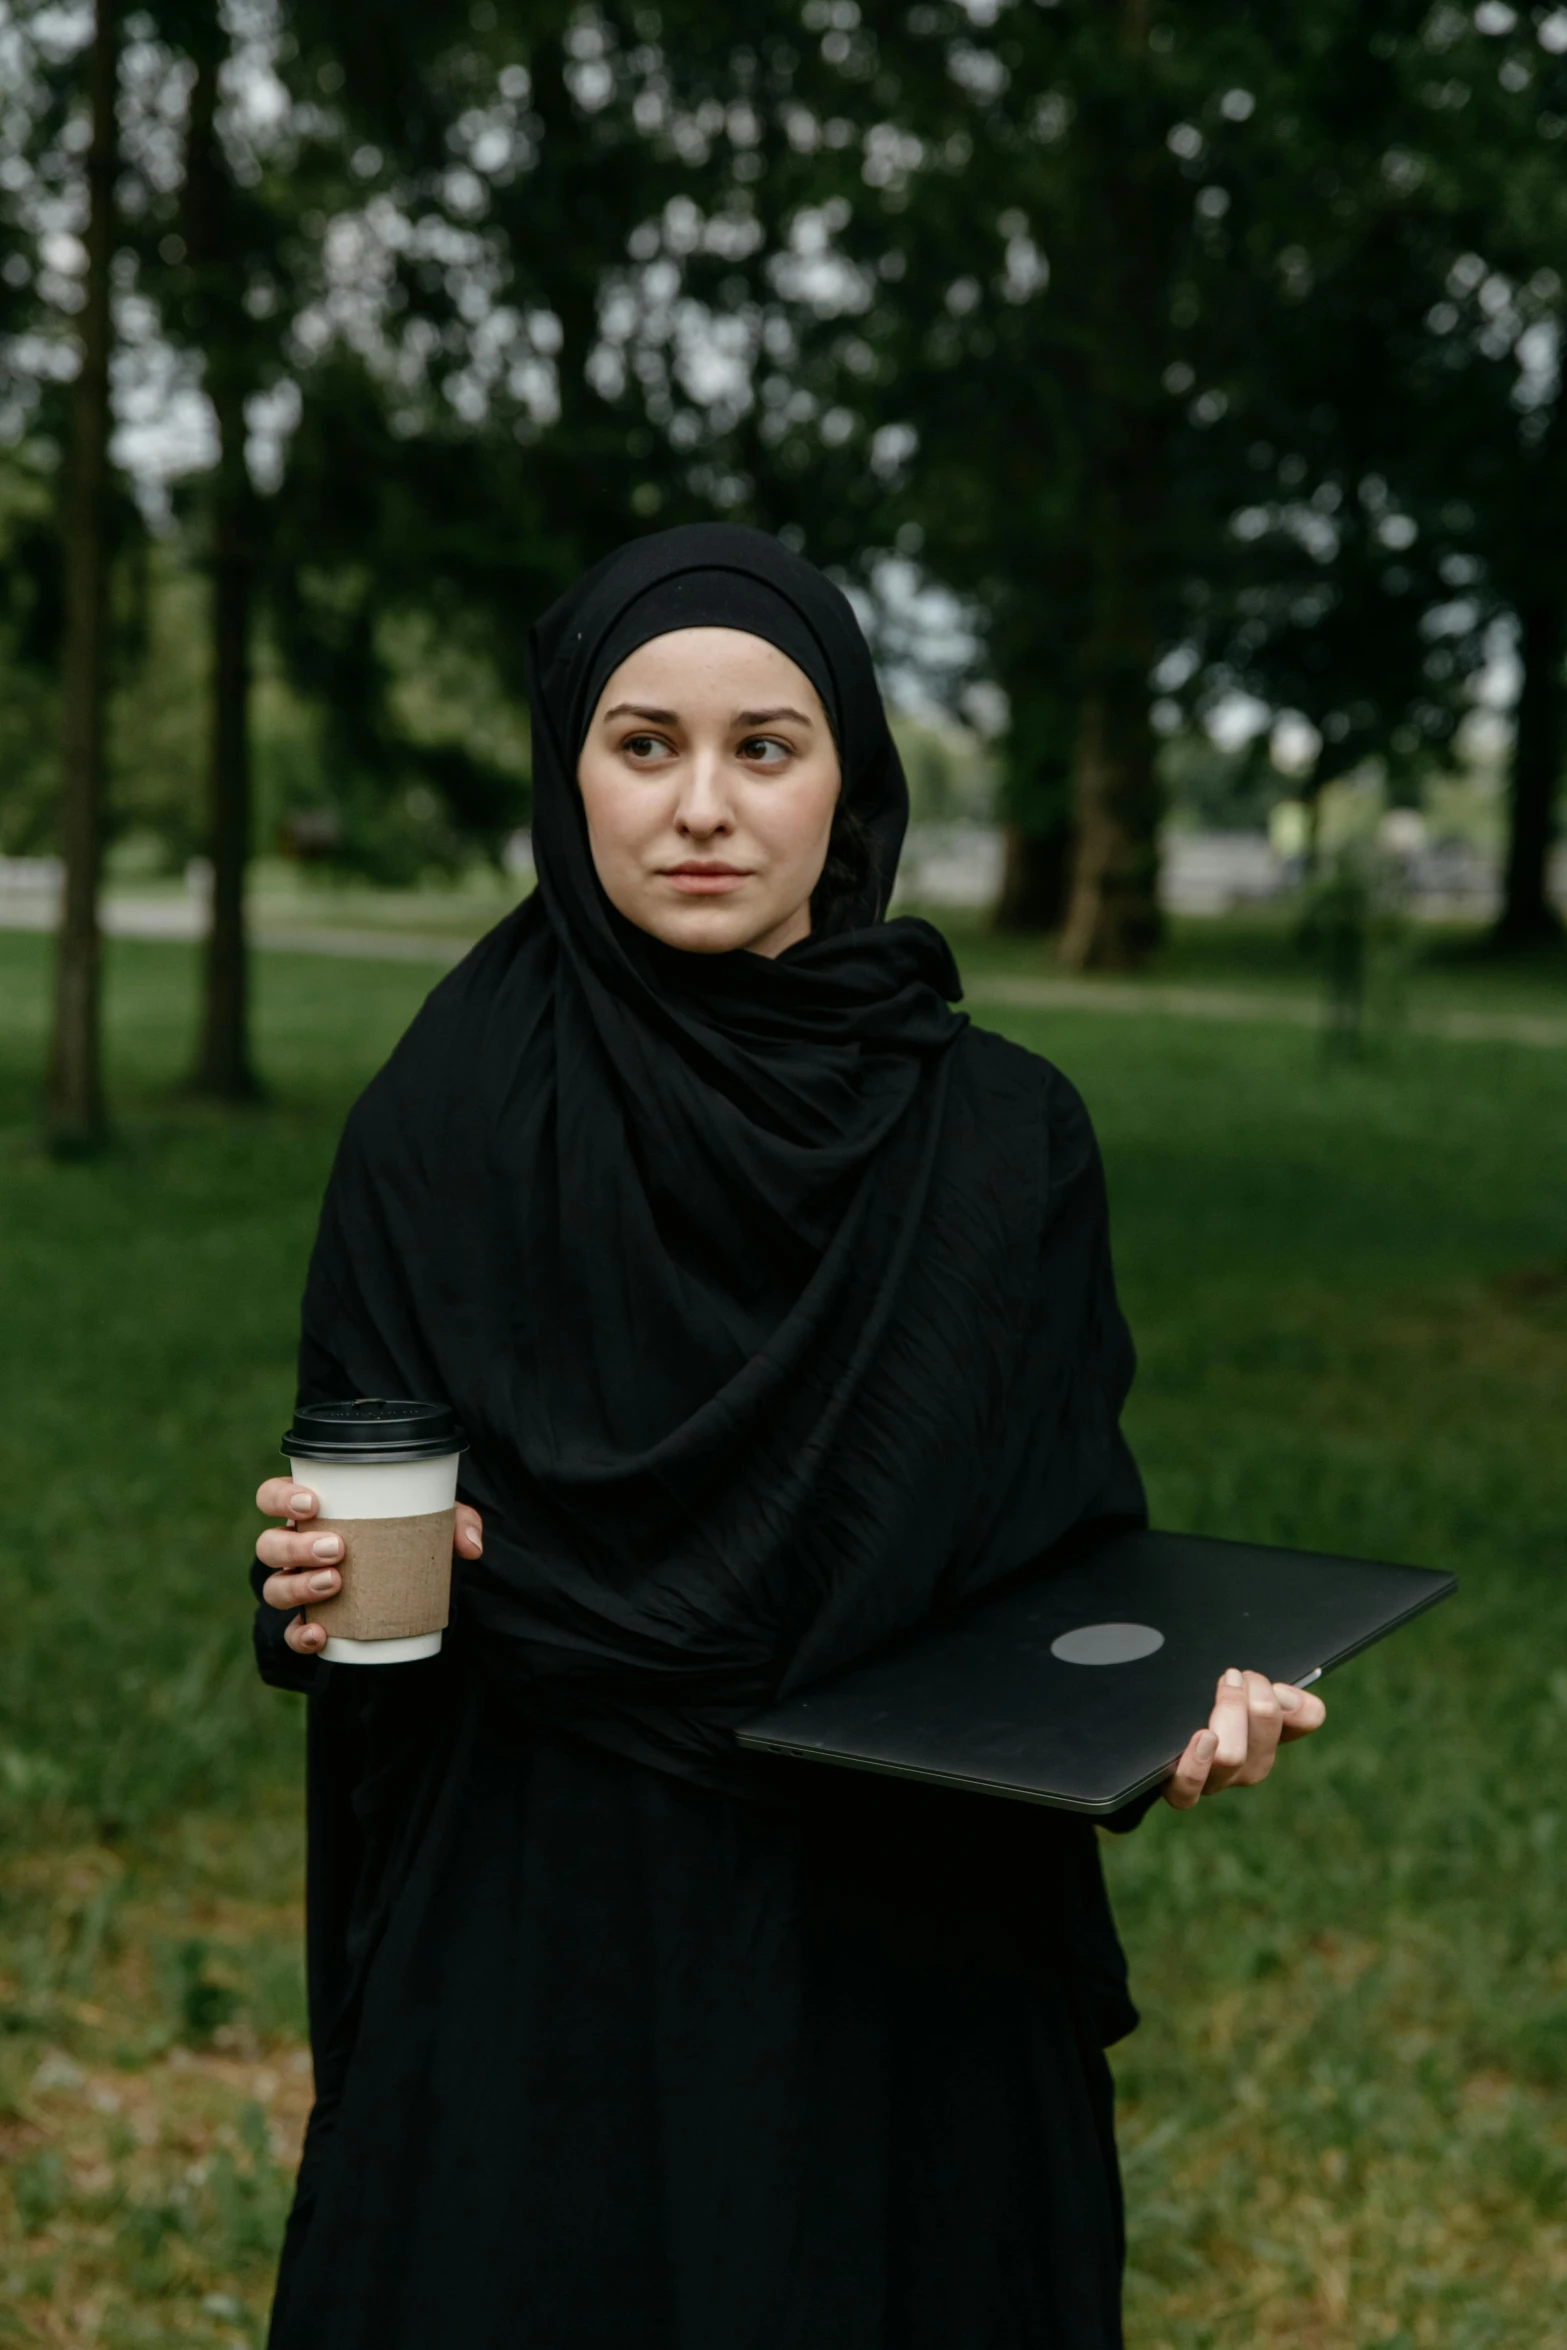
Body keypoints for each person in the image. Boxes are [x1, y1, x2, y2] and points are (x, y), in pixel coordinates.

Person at [251, 525, 1325, 2350]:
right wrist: (306, 1574)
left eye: (766, 746)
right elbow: (352, 1560)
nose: (701, 806)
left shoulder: (1002, 1142)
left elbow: (1073, 1558)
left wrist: (1173, 1708)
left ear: (852, 778)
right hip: (547, 1910)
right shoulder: (442, 1116)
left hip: (903, 1926)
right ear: (564, 770)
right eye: (641, 742)